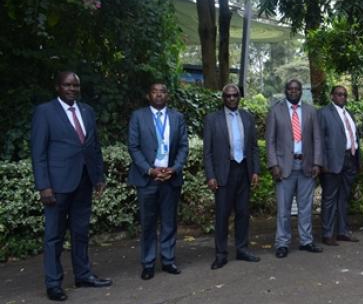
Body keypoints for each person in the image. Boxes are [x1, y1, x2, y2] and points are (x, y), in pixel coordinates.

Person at [31, 71, 111, 301]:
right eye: (67, 85)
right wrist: (43, 185)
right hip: (57, 185)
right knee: (54, 236)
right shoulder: (45, 112)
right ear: (58, 87)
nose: (72, 89)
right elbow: (39, 153)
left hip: (84, 182)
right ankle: (54, 283)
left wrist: (98, 177)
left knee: (81, 232)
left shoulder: (87, 111)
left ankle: (83, 275)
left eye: (75, 85)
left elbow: (93, 146)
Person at [127, 83, 189, 280]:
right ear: (149, 95)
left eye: (162, 91)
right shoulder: (138, 116)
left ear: (167, 95)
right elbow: (133, 147)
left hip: (171, 178)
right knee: (148, 223)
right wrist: (150, 170)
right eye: (155, 91)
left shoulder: (177, 117)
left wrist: (174, 168)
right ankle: (148, 263)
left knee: (169, 222)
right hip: (148, 179)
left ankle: (168, 260)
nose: (159, 94)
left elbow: (183, 147)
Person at [203, 83, 261, 269]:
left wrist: (255, 171)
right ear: (223, 98)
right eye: (227, 96)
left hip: (243, 170)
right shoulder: (212, 119)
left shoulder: (248, 117)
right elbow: (208, 151)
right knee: (222, 215)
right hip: (222, 174)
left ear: (239, 96)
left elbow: (253, 147)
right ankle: (221, 254)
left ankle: (242, 249)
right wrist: (210, 176)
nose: (231, 99)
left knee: (243, 213)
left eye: (234, 95)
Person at [266, 79, 323, 258]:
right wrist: (273, 164)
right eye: (290, 89)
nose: (293, 91)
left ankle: (306, 241)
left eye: (296, 89)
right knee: (283, 209)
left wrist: (317, 163)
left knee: (306, 207)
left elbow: (317, 139)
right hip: (284, 168)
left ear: (301, 91)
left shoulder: (310, 111)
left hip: (306, 165)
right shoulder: (276, 111)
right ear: (285, 91)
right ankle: (282, 243)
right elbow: (270, 141)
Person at [318, 85, 360, 246]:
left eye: (344, 95)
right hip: (332, 163)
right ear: (332, 96)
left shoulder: (349, 114)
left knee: (343, 198)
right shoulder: (323, 113)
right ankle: (327, 234)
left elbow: (353, 136)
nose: (342, 97)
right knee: (329, 198)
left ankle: (342, 232)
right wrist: (322, 163)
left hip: (350, 160)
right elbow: (319, 139)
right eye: (339, 94)